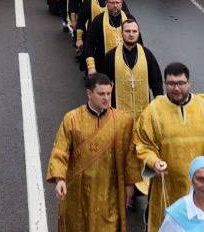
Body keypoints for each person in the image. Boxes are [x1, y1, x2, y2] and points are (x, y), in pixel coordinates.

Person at [133, 62, 204, 232]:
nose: (176, 88)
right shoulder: (153, 111)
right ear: (165, 84)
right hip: (168, 186)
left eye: (180, 83)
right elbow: (142, 143)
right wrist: (154, 162)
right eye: (171, 84)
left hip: (203, 186)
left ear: (189, 83)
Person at [46, 73, 139, 232]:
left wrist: (130, 184)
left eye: (109, 94)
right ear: (89, 93)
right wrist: (60, 179)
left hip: (109, 192)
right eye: (101, 94)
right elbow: (60, 150)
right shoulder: (72, 119)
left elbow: (130, 154)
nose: (106, 98)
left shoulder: (124, 121)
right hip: (78, 191)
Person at [97, 18, 162, 119]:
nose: (131, 34)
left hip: (143, 112)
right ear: (121, 33)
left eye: (134, 31)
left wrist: (159, 105)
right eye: (127, 31)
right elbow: (103, 84)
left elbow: (156, 82)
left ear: (138, 33)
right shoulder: (111, 56)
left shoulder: (147, 54)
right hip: (118, 111)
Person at [81, 0, 130, 77]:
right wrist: (91, 67)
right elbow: (90, 44)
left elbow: (138, 43)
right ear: (106, 3)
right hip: (103, 64)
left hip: (125, 63)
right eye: (112, 3)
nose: (115, 6)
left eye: (117, 3)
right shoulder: (98, 20)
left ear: (121, 4)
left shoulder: (129, 19)